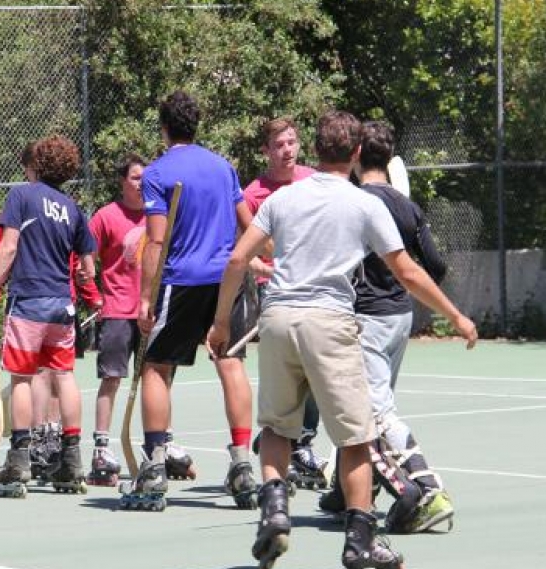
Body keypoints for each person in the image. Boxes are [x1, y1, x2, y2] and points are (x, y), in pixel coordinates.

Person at [206, 110, 477, 569]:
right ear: (355, 154)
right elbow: (407, 270)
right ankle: (361, 541)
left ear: (314, 149)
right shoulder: (364, 204)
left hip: (277, 319)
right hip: (329, 323)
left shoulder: (282, 200)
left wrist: (220, 324)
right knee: (355, 438)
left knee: (276, 427)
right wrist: (455, 315)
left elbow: (237, 260)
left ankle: (274, 512)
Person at [120, 90, 258, 511]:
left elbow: (157, 241)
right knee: (230, 364)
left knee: (155, 368)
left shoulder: (159, 172)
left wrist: (145, 298)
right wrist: (253, 263)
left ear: (163, 127)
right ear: (195, 125)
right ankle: (241, 464)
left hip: (180, 282)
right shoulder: (223, 168)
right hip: (225, 281)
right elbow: (248, 224)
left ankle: (156, 466)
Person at [318, 120, 454, 533]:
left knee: (375, 412)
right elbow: (435, 266)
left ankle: (429, 490)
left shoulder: (357, 203)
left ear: (357, 154)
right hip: (400, 317)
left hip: (367, 320)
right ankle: (346, 494)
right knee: (362, 407)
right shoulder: (407, 207)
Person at [0, 135, 97, 497]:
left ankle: (19, 462)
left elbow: (9, 246)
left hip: (28, 299)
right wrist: (80, 276)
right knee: (64, 376)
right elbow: (88, 269)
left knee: (21, 379)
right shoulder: (73, 208)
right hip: (62, 304)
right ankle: (72, 461)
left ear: (37, 165)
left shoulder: (22, 195)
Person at [243, 117, 327, 491]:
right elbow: (242, 250)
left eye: (292, 142)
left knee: (315, 371)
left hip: (316, 288)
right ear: (266, 150)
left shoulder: (315, 181)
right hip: (275, 291)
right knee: (288, 372)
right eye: (279, 144)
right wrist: (262, 266)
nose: (288, 149)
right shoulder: (254, 194)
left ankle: (300, 442)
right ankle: (282, 439)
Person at [85, 153, 147, 486]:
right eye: (136, 177)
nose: (142, 184)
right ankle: (101, 448)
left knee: (155, 380)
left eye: (145, 178)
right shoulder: (106, 216)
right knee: (112, 378)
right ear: (123, 181)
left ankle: (158, 443)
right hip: (116, 312)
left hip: (148, 313)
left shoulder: (158, 215)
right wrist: (94, 295)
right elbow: (85, 259)